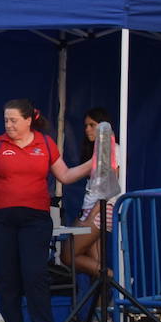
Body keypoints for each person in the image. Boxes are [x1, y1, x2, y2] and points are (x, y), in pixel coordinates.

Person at [0, 99, 92, 322]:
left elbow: (65, 176)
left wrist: (94, 164)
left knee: (35, 273)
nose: (9, 125)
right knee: (7, 274)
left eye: (14, 120)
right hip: (0, 218)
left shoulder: (45, 143)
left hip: (35, 218)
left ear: (28, 120)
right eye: (6, 120)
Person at [63, 108, 118, 278]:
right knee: (96, 264)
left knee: (68, 255)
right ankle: (101, 302)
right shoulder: (98, 151)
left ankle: (115, 279)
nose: (87, 129)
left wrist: (91, 215)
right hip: (93, 210)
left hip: (100, 210)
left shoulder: (112, 149)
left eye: (92, 125)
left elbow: (110, 188)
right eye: (86, 125)